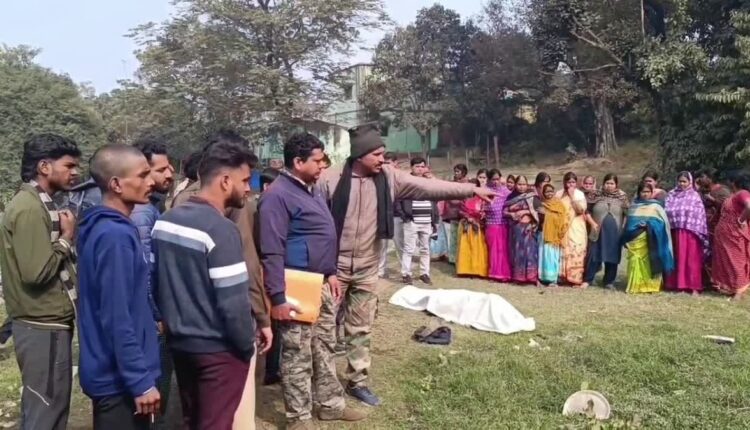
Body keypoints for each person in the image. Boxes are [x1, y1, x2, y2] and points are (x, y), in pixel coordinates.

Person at [324, 123, 494, 406]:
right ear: (360, 154)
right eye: (377, 154)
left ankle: (357, 381)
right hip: (333, 269)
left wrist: (470, 189)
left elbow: (429, 186)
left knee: (360, 329)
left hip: (367, 268)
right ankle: (326, 386)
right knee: (325, 330)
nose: (383, 159)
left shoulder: (389, 178)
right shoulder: (330, 179)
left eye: (383, 153)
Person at [259, 133, 365, 430]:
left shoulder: (313, 189)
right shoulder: (277, 196)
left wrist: (330, 271)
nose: (323, 166)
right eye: (318, 161)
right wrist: (278, 297)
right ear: (298, 161)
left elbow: (321, 235)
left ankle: (330, 405)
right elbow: (271, 250)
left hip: (321, 282)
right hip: (296, 286)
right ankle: (299, 417)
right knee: (297, 354)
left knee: (324, 346)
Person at [152, 139, 257, 429]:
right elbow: (234, 304)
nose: (249, 188)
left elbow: (157, 284)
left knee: (193, 419)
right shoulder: (221, 230)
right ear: (225, 181)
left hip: (181, 345)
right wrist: (246, 347)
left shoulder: (165, 221)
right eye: (245, 180)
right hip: (218, 352)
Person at [76, 145, 161, 429]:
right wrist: (140, 381)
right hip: (118, 381)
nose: (151, 182)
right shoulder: (113, 236)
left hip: (116, 374)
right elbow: (116, 315)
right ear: (116, 184)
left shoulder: (109, 227)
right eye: (143, 175)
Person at [0, 134, 80, 430]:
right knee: (45, 412)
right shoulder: (30, 208)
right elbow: (36, 273)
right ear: (44, 167)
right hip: (41, 326)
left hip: (47, 324)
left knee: (48, 408)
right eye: (69, 165)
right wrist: (66, 239)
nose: (75, 172)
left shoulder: (39, 204)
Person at [128, 138, 175, 428]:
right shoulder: (142, 212)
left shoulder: (153, 206)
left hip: (151, 313)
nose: (169, 173)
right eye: (160, 170)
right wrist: (157, 315)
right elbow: (146, 269)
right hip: (150, 317)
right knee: (154, 385)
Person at [622, 182, 674, 294]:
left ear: (651, 193)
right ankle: (636, 286)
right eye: (643, 192)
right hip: (634, 239)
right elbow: (629, 223)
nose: (645, 194)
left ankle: (650, 286)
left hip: (651, 239)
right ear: (639, 193)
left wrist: (649, 224)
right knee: (635, 260)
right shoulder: (634, 206)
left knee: (649, 261)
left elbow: (662, 224)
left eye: (648, 192)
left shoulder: (657, 207)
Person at [664, 172, 708, 295]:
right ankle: (679, 286)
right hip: (675, 231)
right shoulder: (671, 195)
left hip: (691, 232)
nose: (682, 184)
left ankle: (694, 287)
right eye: (680, 181)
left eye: (684, 181)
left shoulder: (694, 196)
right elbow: (667, 211)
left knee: (691, 259)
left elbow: (699, 214)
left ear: (690, 182)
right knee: (678, 258)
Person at [397, 157, 439, 285]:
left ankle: (424, 273)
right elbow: (398, 200)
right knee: (409, 249)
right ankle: (406, 274)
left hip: (427, 220)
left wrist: (434, 220)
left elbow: (436, 197)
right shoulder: (406, 181)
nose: (420, 169)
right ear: (411, 167)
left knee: (425, 249)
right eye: (417, 166)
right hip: (412, 221)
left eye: (422, 166)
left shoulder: (428, 182)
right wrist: (405, 216)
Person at [583, 174, 629, 289]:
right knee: (594, 254)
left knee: (612, 255)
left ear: (616, 185)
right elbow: (586, 211)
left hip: (614, 233)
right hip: (597, 231)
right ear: (603, 184)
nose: (609, 186)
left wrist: (623, 227)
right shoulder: (595, 194)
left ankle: (609, 281)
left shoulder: (622, 196)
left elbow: (626, 214)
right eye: (607, 183)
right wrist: (592, 223)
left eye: (612, 183)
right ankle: (588, 279)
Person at [712, 173, 750, 299]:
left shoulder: (742, 193)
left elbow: (749, 206)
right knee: (727, 261)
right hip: (725, 235)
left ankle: (739, 291)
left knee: (735, 261)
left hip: (734, 234)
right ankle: (730, 287)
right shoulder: (734, 195)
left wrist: (741, 220)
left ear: (734, 182)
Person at [503, 175, 540, 284]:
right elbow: (504, 211)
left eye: (524, 184)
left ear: (527, 185)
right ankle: (518, 277)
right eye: (519, 184)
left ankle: (532, 277)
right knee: (517, 251)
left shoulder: (532, 197)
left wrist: (525, 212)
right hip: (516, 229)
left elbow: (539, 211)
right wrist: (511, 214)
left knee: (530, 251)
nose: (522, 187)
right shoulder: (510, 197)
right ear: (515, 185)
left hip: (529, 229)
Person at [556, 172, 588, 286]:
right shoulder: (559, 194)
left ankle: (576, 278)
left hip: (576, 226)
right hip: (563, 226)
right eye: (568, 182)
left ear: (576, 183)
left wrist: (572, 196)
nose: (571, 184)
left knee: (576, 249)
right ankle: (563, 277)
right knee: (564, 250)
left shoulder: (579, 194)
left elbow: (581, 210)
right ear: (564, 182)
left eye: (573, 182)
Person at [456, 179, 489, 278]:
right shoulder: (464, 199)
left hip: (477, 226)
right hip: (466, 225)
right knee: (466, 247)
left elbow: (484, 211)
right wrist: (468, 218)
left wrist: (479, 217)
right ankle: (465, 269)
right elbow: (460, 211)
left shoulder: (482, 199)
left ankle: (477, 270)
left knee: (477, 247)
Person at [378, 152, 402, 279]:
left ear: (395, 163)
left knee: (400, 244)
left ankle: (405, 270)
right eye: (384, 163)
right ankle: (380, 270)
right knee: (382, 245)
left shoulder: (401, 177)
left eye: (389, 163)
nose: (386, 166)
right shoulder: (380, 176)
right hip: (383, 214)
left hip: (397, 215)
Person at [538, 184, 568, 287]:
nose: (549, 193)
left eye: (551, 191)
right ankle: (544, 278)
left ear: (554, 192)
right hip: (544, 234)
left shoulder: (558, 204)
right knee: (544, 256)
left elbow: (563, 217)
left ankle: (553, 279)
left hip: (555, 236)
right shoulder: (542, 204)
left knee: (553, 256)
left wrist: (547, 214)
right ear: (543, 193)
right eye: (547, 192)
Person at [484, 169, 512, 282]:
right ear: (489, 179)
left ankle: (505, 274)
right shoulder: (485, 191)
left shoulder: (505, 191)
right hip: (491, 224)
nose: (496, 182)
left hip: (503, 224)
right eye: (493, 179)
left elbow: (513, 201)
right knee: (493, 250)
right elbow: (481, 206)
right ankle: (494, 274)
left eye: (497, 179)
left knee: (503, 250)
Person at [440, 163, 470, 265]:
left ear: (464, 172)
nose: (456, 173)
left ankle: (463, 259)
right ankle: (453, 259)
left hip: (464, 214)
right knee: (452, 237)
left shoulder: (467, 184)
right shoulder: (452, 184)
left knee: (463, 237)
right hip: (452, 214)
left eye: (458, 171)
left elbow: (465, 198)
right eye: (455, 171)